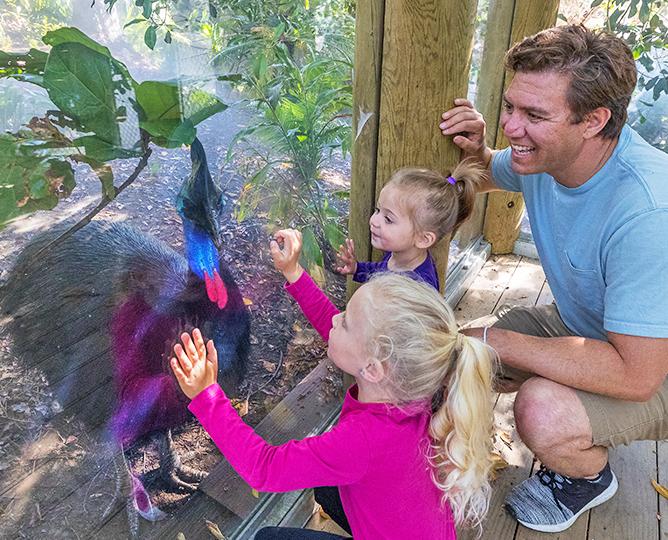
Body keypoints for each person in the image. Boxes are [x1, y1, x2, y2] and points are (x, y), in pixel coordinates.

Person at [439, 23, 668, 533]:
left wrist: (497, 337)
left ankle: (588, 478)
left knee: (540, 409)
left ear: (594, 120)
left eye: (534, 115)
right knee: (460, 358)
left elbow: (638, 375)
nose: (511, 128)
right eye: (511, 107)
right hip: (592, 329)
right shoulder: (545, 156)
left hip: (655, 364)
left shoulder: (649, 213)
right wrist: (475, 148)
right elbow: (496, 165)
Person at [169, 228, 498, 539]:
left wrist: (206, 396)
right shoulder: (418, 391)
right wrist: (294, 273)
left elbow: (263, 469)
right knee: (328, 487)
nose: (336, 319)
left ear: (372, 368)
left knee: (266, 537)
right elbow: (343, 338)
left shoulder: (363, 440)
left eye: (347, 320)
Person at [335, 162, 483, 291]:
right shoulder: (398, 254)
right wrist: (357, 269)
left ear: (424, 239)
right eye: (377, 210)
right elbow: (381, 270)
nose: (374, 220)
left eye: (388, 219)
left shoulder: (419, 287)